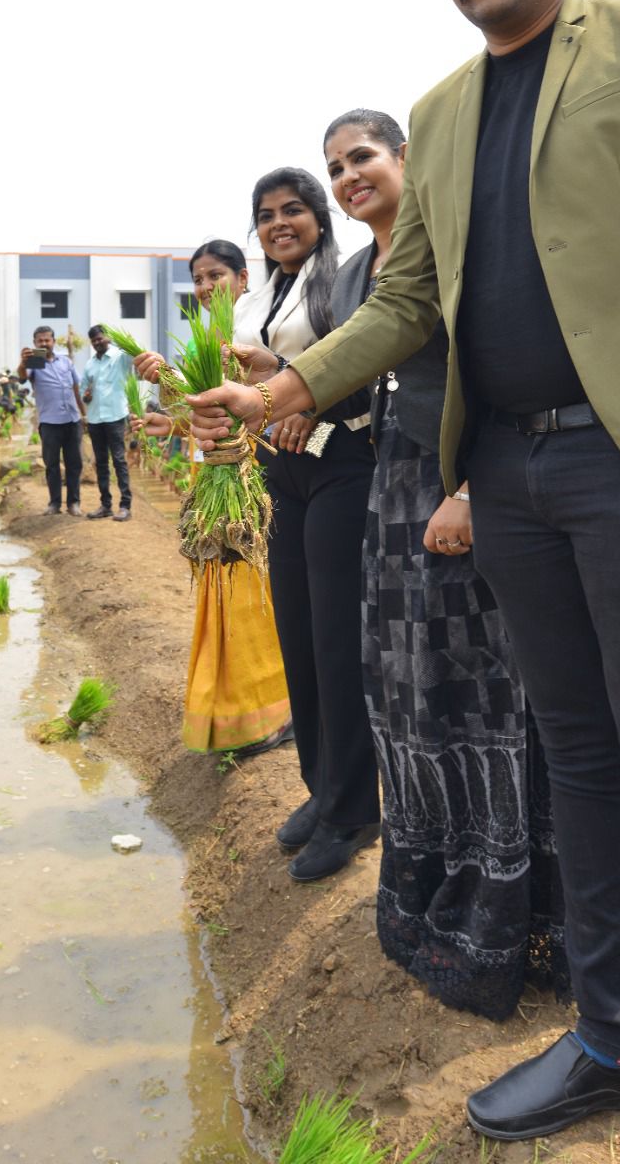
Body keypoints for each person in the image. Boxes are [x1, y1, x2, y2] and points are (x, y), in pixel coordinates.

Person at [190, 0, 620, 1164]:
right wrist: (284, 393)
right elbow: (404, 296)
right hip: (504, 471)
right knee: (573, 764)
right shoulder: (444, 111)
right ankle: (609, 1040)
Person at [322, 107, 566, 1017]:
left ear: (406, 159)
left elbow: (504, 365)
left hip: (465, 479)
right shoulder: (360, 273)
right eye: (336, 164)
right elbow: (358, 368)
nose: (350, 176)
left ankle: (513, 913)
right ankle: (437, 892)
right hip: (393, 491)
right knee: (412, 688)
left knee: (488, 692)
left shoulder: (465, 238)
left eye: (363, 157)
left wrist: (468, 490)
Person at [234, 168, 380, 882]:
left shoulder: (347, 281)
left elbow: (367, 362)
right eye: (265, 215)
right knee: (295, 631)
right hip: (280, 469)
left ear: (320, 217)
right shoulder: (260, 293)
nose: (278, 223)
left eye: (293, 210)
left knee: (336, 640)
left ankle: (355, 809)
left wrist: (295, 388)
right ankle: (320, 790)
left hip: (342, 462)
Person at [134, 240, 292, 755]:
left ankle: (272, 716)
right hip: (217, 482)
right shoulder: (211, 336)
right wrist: (172, 419)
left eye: (215, 276)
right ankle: (236, 715)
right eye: (197, 279)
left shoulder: (249, 335)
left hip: (254, 483)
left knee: (252, 598)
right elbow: (214, 417)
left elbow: (264, 411)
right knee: (227, 593)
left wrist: (171, 382)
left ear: (243, 279)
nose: (204, 288)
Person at [17, 324, 85, 516]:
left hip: (72, 420)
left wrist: (83, 415)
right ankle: (54, 503)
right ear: (35, 343)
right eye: (40, 341)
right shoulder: (34, 363)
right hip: (50, 423)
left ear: (54, 342)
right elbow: (23, 378)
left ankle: (74, 503)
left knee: (74, 464)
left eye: (47, 340)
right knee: (52, 464)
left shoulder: (66, 362)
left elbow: (76, 389)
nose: (44, 343)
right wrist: (23, 363)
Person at [81, 325, 133, 521]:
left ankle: (125, 506)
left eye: (100, 338)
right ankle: (105, 505)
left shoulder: (120, 358)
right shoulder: (89, 365)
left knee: (119, 460)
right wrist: (85, 395)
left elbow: (133, 349)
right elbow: (83, 391)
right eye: (94, 340)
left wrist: (120, 337)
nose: (97, 343)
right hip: (95, 419)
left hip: (115, 417)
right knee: (101, 462)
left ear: (107, 338)